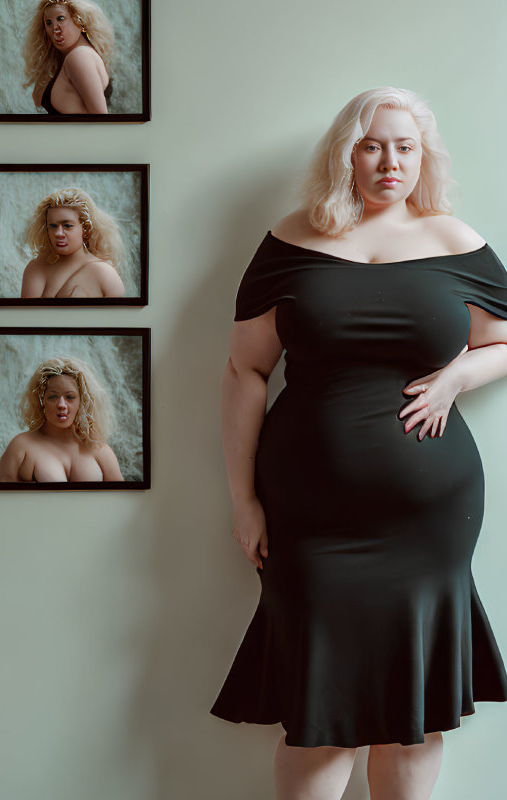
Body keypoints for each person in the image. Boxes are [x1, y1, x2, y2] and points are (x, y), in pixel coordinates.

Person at [212, 87, 507, 799]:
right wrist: (244, 500)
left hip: (427, 518)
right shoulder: (290, 241)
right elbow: (246, 370)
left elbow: (505, 342)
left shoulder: (455, 242)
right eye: (372, 145)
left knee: (413, 707)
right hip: (310, 516)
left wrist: (457, 377)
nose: (388, 162)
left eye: (404, 147)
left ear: (423, 156)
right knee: (321, 709)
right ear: (346, 154)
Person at [0, 356, 122, 481]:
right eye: (53, 397)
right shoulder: (21, 446)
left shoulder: (99, 449)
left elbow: (119, 499)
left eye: (70, 397)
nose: (61, 405)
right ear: (41, 400)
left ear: (81, 402)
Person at [20, 188, 124, 298]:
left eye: (67, 226)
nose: (58, 233)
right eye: (53, 226)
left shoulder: (105, 274)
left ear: (85, 228)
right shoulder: (35, 268)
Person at [23, 0, 113, 115]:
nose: (55, 28)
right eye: (49, 22)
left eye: (61, 19)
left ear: (79, 20)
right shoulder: (71, 57)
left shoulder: (79, 56)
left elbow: (101, 120)